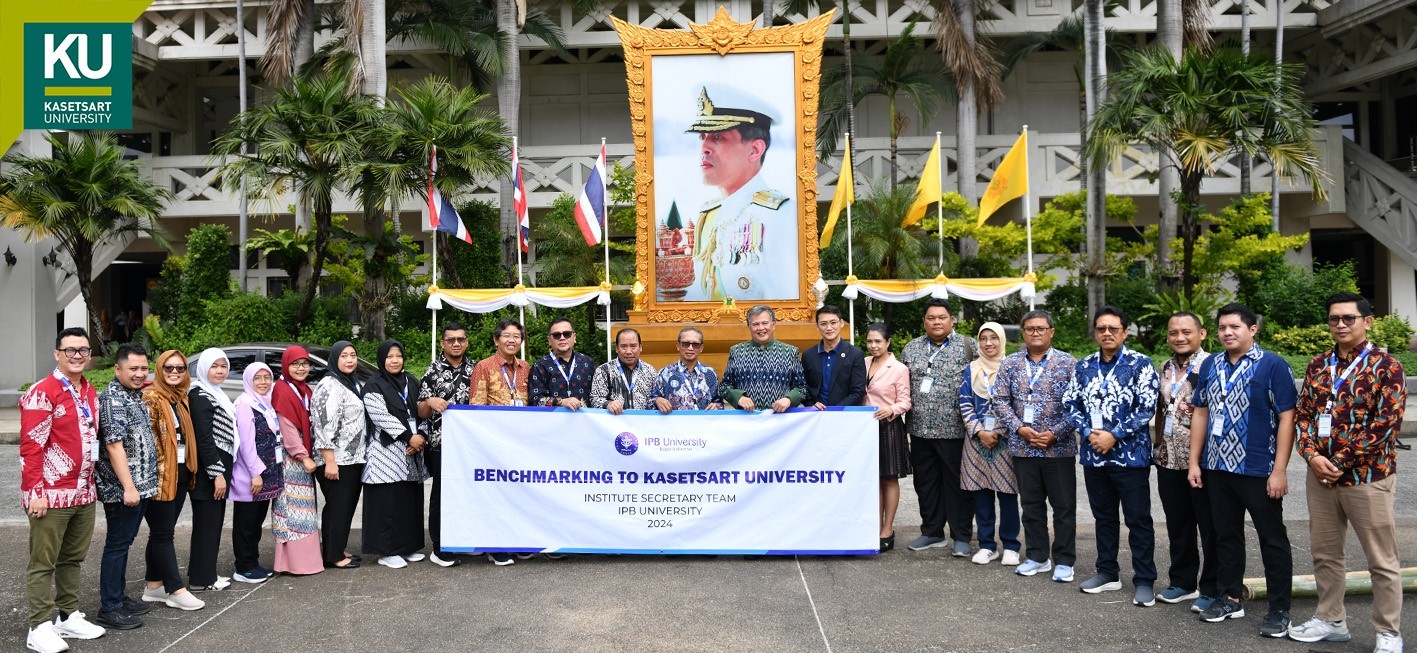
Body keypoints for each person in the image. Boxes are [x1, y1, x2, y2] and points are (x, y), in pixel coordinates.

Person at [1289, 292, 1406, 652]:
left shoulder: (1387, 366)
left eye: (1348, 318)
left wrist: (1339, 462)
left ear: (1367, 322)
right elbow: (1304, 416)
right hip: (1320, 477)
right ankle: (1331, 620)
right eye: (1334, 319)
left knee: (1381, 560)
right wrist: (1310, 456)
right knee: (1325, 554)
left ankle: (1388, 632)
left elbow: (1386, 424)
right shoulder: (1318, 365)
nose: (1340, 324)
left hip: (1367, 477)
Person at [1188, 303, 1296, 637]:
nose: (1227, 333)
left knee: (1272, 538)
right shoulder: (1210, 364)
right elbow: (1201, 412)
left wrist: (1279, 470)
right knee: (1225, 535)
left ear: (1252, 329)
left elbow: (1287, 417)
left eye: (1234, 326)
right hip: (1218, 467)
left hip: (1258, 469)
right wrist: (1195, 461)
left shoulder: (1272, 365)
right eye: (1222, 327)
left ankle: (1279, 610)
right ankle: (1230, 597)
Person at [1063, 307, 1161, 607]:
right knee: (1103, 518)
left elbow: (1146, 408)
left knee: (1138, 520)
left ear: (1125, 332)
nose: (1107, 333)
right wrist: (1090, 433)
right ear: (1095, 332)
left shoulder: (1140, 364)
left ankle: (1144, 579)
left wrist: (1113, 435)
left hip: (1131, 459)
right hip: (1094, 457)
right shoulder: (1083, 366)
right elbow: (1069, 403)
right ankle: (1107, 572)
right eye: (1102, 328)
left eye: (1113, 328)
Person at [21, 327, 107, 652]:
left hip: (83, 492)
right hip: (50, 494)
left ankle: (68, 616)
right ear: (57, 353)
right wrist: (35, 492)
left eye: (83, 350)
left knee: (73, 558)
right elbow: (31, 447)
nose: (77, 355)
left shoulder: (89, 392)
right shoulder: (43, 392)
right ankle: (39, 626)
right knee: (43, 561)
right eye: (70, 350)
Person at [991, 310, 1078, 582]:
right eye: (1030, 329)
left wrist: (1056, 432)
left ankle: (1064, 560)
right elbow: (1000, 400)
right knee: (1031, 507)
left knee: (1063, 507)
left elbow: (1077, 405)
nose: (1035, 333)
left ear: (1051, 331)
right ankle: (1038, 556)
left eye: (1041, 328)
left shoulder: (1069, 363)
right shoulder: (1010, 363)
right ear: (1023, 333)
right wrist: (1019, 428)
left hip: (1058, 448)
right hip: (1023, 447)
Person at [686, 85, 795, 301]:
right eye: (702, 137)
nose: (704, 148)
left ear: (754, 150)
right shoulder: (707, 216)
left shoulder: (781, 214)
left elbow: (789, 295)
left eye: (717, 138)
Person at [899, 298, 977, 557]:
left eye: (941, 317)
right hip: (920, 429)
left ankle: (961, 536)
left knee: (957, 485)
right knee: (926, 483)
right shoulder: (911, 349)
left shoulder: (968, 346)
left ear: (951, 319)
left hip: (956, 429)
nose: (936, 322)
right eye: (931, 318)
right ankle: (932, 532)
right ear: (924, 321)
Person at [1152, 313, 1218, 611]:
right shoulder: (1164, 368)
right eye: (1173, 332)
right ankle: (1183, 582)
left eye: (1186, 332)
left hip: (1203, 462)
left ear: (1201, 334)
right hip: (1168, 459)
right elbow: (1161, 409)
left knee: (1210, 526)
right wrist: (1157, 446)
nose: (1179, 337)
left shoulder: (1214, 366)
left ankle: (1212, 587)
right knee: (1178, 525)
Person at [93, 344, 156, 630]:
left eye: (144, 368)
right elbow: (114, 445)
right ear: (117, 369)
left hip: (139, 487)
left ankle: (118, 597)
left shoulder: (133, 395)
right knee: (117, 545)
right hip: (123, 490)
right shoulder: (113, 399)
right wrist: (129, 487)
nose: (140, 373)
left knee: (124, 542)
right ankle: (110, 607)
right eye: (134, 369)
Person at [140, 350, 206, 610]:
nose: (175, 372)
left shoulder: (180, 398)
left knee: (160, 532)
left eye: (180, 368)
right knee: (163, 534)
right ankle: (176, 589)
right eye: (169, 368)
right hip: (160, 477)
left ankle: (153, 586)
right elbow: (146, 444)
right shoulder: (152, 398)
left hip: (180, 475)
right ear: (159, 370)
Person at [362, 340, 430, 569]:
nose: (394, 360)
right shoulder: (374, 384)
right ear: (382, 359)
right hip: (387, 453)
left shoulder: (411, 380)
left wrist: (420, 435)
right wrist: (408, 437)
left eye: (398, 356)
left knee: (408, 501)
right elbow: (379, 416)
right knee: (387, 502)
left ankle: (406, 547)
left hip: (413, 450)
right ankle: (386, 551)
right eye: (390, 356)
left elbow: (422, 411)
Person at [957, 322, 1020, 567]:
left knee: (1007, 493)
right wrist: (979, 430)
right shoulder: (970, 368)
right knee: (981, 494)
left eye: (994, 338)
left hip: (1005, 440)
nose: (989, 343)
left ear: (1002, 340)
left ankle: (1011, 546)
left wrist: (999, 431)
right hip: (976, 441)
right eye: (984, 338)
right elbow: (964, 401)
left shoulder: (1012, 367)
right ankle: (987, 545)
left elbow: (1018, 403)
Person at [470, 319, 530, 565]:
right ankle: (494, 545)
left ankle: (516, 541)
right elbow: (476, 407)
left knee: (517, 494)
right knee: (494, 494)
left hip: (520, 443)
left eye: (516, 336)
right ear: (496, 340)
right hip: (493, 444)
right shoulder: (484, 367)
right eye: (506, 335)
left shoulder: (527, 368)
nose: (512, 340)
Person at [418, 322, 473, 567]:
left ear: (466, 342)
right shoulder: (432, 371)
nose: (456, 343)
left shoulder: (476, 369)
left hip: (470, 445)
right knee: (442, 494)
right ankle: (440, 546)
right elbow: (420, 411)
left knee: (468, 492)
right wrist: (430, 400)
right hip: (441, 444)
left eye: (460, 339)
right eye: (450, 340)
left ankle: (464, 538)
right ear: (442, 343)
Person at [312, 341, 367, 570]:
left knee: (345, 507)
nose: (349, 360)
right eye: (344, 356)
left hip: (352, 457)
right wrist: (330, 462)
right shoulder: (329, 385)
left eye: (353, 355)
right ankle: (333, 556)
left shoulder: (349, 382)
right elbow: (324, 425)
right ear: (335, 359)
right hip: (337, 460)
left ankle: (337, 547)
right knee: (337, 507)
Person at [269, 346, 323, 575]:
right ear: (286, 366)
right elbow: (287, 429)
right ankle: (294, 563)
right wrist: (303, 456)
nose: (301, 368)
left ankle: (307, 561)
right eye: (295, 364)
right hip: (292, 461)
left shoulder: (303, 390)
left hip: (302, 458)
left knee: (305, 511)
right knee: (293, 512)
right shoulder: (282, 390)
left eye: (304, 364)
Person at [230, 363, 285, 583]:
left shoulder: (266, 402)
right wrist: (256, 473)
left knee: (255, 523)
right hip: (251, 475)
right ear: (248, 381)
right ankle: (243, 567)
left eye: (267, 377)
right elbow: (245, 444)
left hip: (267, 475)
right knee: (246, 523)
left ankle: (253, 563)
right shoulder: (244, 404)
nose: (263, 382)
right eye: (257, 378)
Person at [187, 349, 235, 591]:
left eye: (223, 366)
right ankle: (200, 579)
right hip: (210, 474)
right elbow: (204, 440)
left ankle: (207, 574)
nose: (219, 371)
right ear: (203, 368)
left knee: (213, 523)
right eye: (214, 366)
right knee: (207, 524)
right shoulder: (199, 396)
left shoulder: (216, 393)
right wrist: (217, 474)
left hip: (220, 469)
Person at [863, 323, 911, 552]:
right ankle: (874, 525)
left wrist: (891, 410)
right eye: (870, 341)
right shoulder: (863, 363)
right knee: (872, 480)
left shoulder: (898, 368)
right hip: (864, 428)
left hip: (888, 427)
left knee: (889, 479)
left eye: (878, 342)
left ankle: (887, 529)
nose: (873, 346)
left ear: (888, 342)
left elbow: (906, 401)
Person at [719, 305, 807, 413]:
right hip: (747, 418)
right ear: (749, 327)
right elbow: (724, 386)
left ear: (773, 324)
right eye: (755, 324)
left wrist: (788, 399)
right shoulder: (736, 351)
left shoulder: (790, 352)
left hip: (780, 419)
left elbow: (802, 388)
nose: (761, 328)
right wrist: (739, 398)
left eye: (765, 323)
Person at [801, 305, 867, 409]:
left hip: (844, 415)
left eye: (833, 322)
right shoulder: (808, 355)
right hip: (815, 415)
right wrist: (812, 404)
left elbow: (858, 392)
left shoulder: (855, 354)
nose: (829, 328)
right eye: (823, 324)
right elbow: (803, 386)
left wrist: (835, 410)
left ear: (841, 323)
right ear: (817, 327)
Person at [528, 317, 596, 410]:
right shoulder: (540, 366)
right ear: (549, 340)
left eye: (567, 334)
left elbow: (596, 397)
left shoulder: (588, 362)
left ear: (574, 337)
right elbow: (535, 400)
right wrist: (560, 402)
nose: (562, 338)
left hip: (584, 422)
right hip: (553, 422)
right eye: (556, 335)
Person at [652, 327, 722, 412]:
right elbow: (650, 402)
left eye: (695, 345)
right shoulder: (665, 373)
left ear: (701, 348)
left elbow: (719, 402)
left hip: (704, 424)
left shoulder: (710, 374)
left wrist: (716, 406)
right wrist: (657, 400)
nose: (690, 348)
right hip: (674, 424)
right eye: (686, 344)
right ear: (678, 346)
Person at [591, 328, 658, 414]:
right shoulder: (604, 371)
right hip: (614, 424)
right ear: (616, 348)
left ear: (640, 347)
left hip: (642, 425)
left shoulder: (650, 371)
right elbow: (594, 399)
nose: (629, 351)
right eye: (624, 346)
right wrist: (608, 404)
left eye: (633, 346)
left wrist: (658, 400)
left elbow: (655, 399)